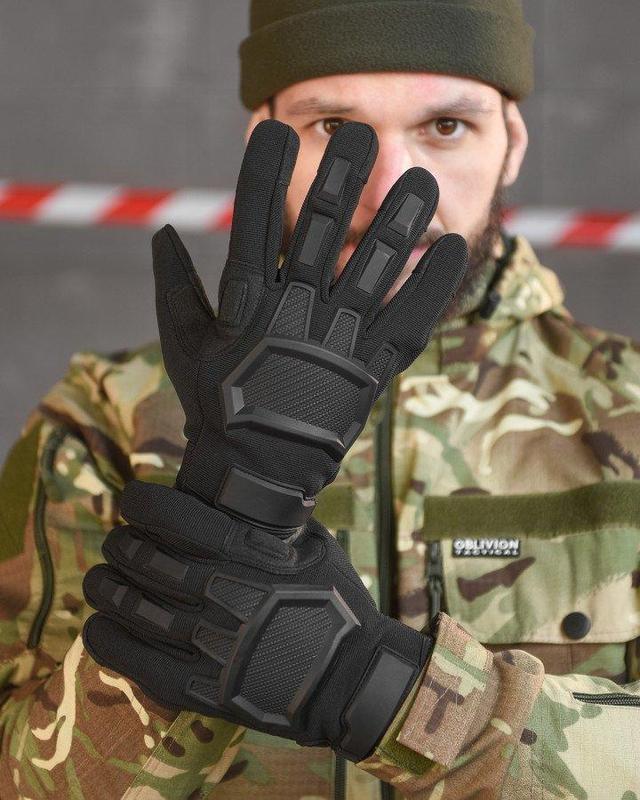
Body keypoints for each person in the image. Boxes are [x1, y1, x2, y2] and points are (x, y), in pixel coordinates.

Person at [1, 1, 639, 798]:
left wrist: (383, 695)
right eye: (334, 127)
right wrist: (225, 516)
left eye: (446, 126)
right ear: (261, 139)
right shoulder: (105, 416)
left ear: (513, 143)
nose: (391, 188)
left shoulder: (630, 409)